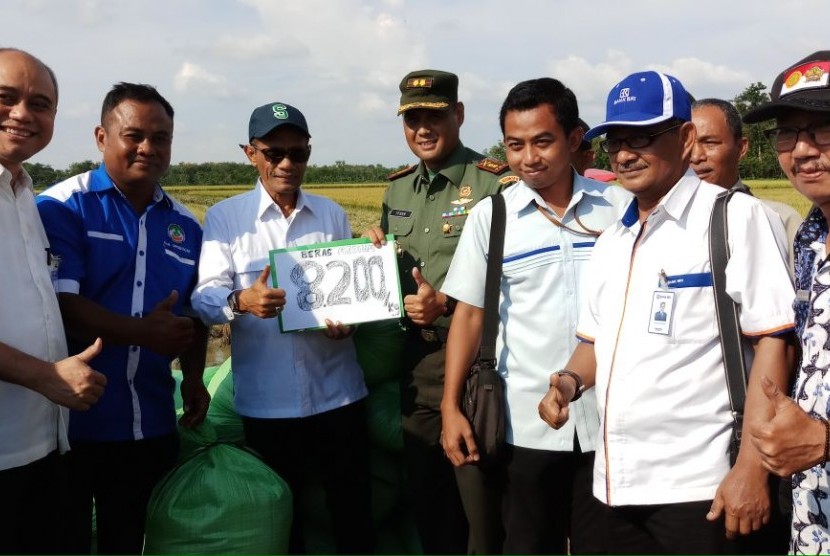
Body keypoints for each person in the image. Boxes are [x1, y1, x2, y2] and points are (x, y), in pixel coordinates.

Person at [538, 70, 795, 554]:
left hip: (702, 488)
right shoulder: (613, 239)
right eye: (615, 141)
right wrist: (568, 383)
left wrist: (751, 469)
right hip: (613, 484)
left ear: (685, 137)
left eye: (642, 137)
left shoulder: (734, 218)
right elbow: (595, 342)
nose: (625, 154)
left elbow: (773, 343)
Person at [440, 77, 631, 554]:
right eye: (515, 145)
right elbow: (468, 316)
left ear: (573, 139)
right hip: (523, 423)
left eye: (543, 141)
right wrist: (449, 407)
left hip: (615, 419)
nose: (529, 157)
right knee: (528, 544)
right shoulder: (493, 217)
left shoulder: (620, 208)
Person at [190, 102, 373, 554]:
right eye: (274, 152)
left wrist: (347, 324)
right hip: (268, 404)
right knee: (279, 518)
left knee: (352, 510)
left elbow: (347, 296)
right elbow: (203, 298)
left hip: (338, 393)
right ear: (251, 153)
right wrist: (241, 301)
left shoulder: (331, 215)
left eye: (298, 153)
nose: (287, 164)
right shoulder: (225, 220)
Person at [36, 82, 209, 554]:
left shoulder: (186, 225)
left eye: (161, 138)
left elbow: (193, 314)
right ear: (101, 137)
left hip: (151, 421)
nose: (148, 148)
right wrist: (143, 333)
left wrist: (194, 379)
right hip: (71, 425)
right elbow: (62, 302)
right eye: (134, 135)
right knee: (65, 540)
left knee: (129, 541)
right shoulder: (60, 207)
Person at [364, 69, 517, 554]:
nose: (422, 129)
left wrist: (446, 302)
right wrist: (368, 264)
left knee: (482, 513)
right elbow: (394, 278)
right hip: (417, 365)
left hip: (477, 366)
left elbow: (517, 278)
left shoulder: (496, 185)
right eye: (412, 118)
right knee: (430, 507)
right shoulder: (398, 190)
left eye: (434, 116)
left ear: (459, 115)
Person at [0, 47, 106, 556]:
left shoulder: (24, 194)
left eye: (39, 103)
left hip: (42, 443)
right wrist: (46, 375)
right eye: (6, 98)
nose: (23, 113)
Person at [743, 50, 830, 555]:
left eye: (822, 129)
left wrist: (825, 441)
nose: (801, 150)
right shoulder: (809, 239)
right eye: (788, 133)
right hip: (811, 520)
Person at [691, 97, 802, 270]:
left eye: (710, 143)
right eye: (687, 145)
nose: (696, 156)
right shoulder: (663, 222)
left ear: (742, 148)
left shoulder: (780, 218)